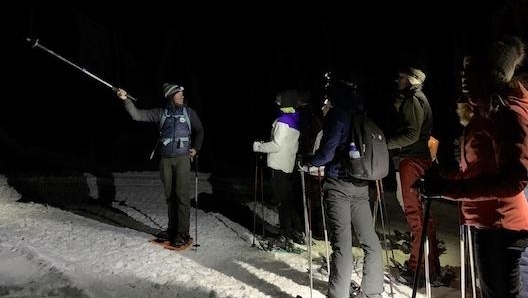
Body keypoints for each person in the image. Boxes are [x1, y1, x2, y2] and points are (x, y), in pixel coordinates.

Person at [424, 36, 528, 298]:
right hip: (489, 221)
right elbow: (480, 169)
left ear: (493, 75)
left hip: (501, 224)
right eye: (464, 69)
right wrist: (445, 177)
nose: (464, 76)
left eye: (473, 70)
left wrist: (449, 189)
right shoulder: (485, 113)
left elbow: (513, 180)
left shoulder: (506, 114)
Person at [303, 78, 383, 298]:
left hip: (338, 184)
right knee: (370, 240)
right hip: (360, 184)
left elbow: (327, 153)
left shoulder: (337, 116)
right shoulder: (361, 114)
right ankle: (373, 291)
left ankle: (338, 293)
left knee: (342, 243)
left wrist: (310, 161)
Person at [116, 83, 204, 246]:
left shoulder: (189, 113)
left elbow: (200, 130)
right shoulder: (160, 113)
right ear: (171, 96)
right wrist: (126, 100)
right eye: (179, 94)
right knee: (170, 196)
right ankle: (172, 229)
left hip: (183, 159)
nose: (182, 96)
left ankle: (182, 232)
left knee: (182, 196)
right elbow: (137, 115)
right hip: (165, 160)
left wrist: (196, 149)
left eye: (182, 94)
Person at [386, 67, 441, 284]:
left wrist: (387, 144)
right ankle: (430, 267)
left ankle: (418, 269)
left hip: (413, 160)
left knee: (415, 215)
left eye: (400, 76)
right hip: (419, 158)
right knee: (423, 215)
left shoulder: (414, 99)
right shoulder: (418, 98)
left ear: (411, 79)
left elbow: (412, 134)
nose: (397, 79)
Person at [252, 90, 305, 245]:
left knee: (282, 201)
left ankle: (285, 234)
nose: (277, 102)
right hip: (287, 164)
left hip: (278, 165)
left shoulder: (283, 121)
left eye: (279, 100)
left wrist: (259, 146)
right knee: (288, 200)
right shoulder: (295, 118)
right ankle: (298, 231)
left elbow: (276, 145)